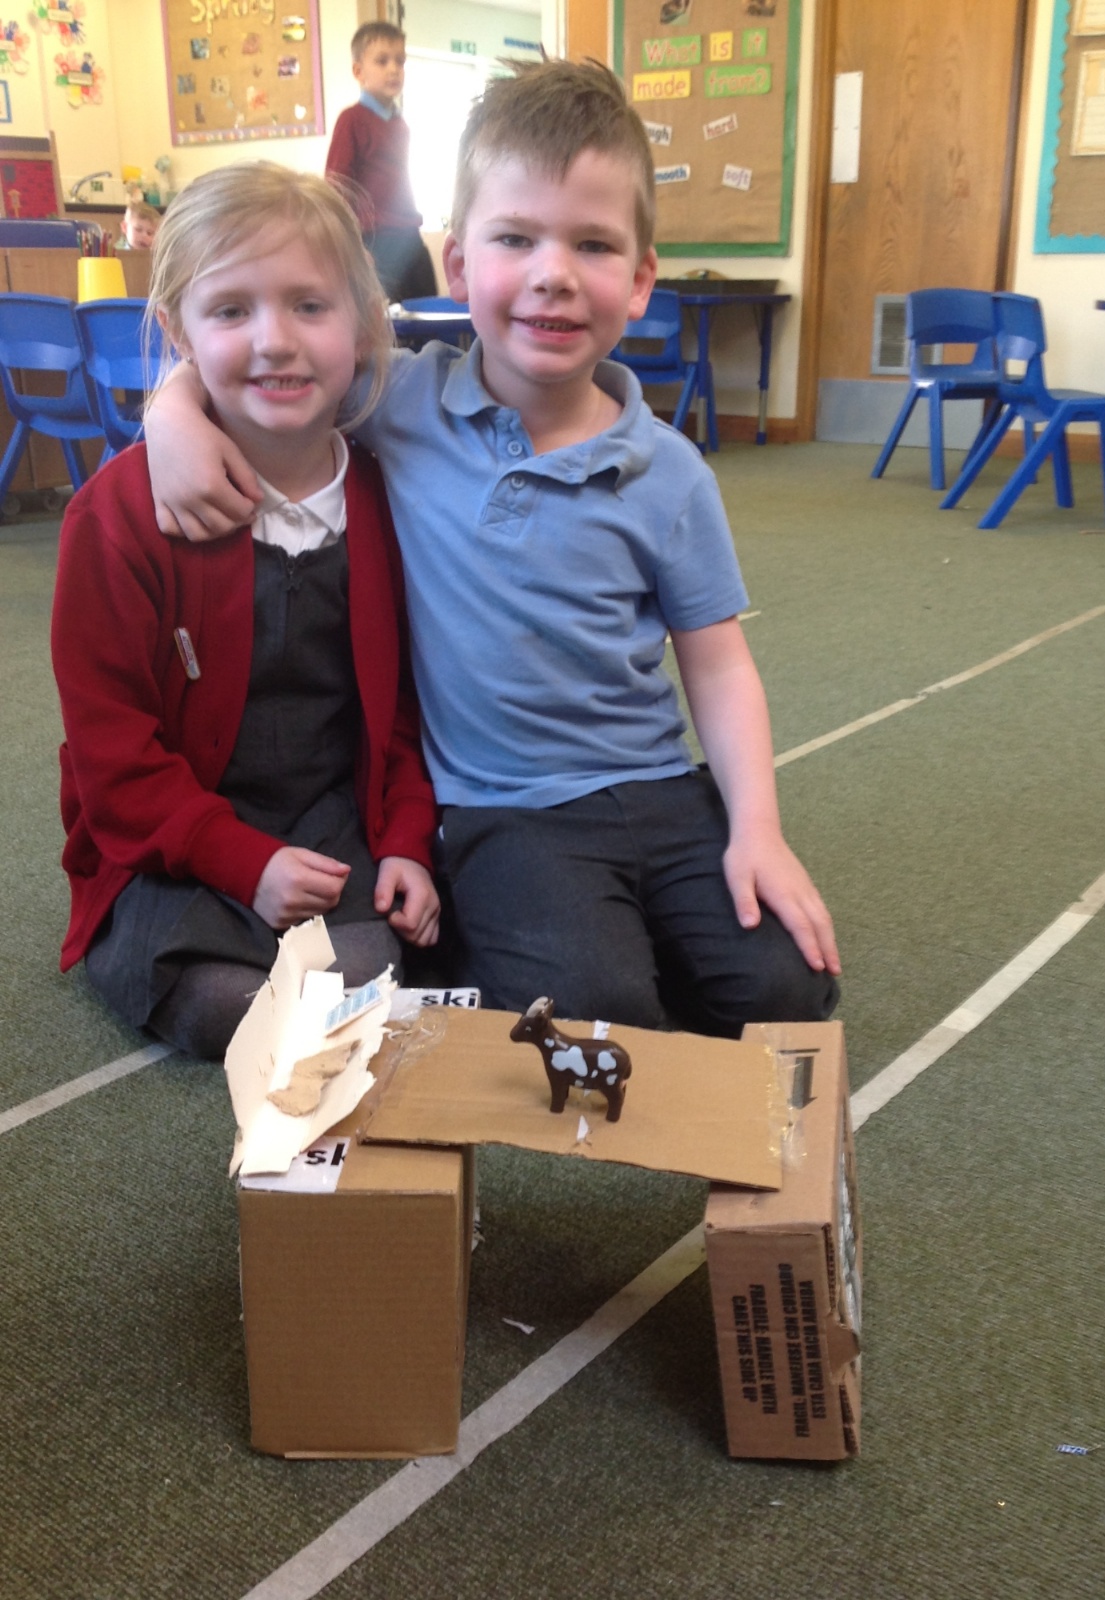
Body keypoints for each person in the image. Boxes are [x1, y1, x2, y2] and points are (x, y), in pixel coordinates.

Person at [144, 61, 841, 1039]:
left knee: (784, 995)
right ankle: (520, 939)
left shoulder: (671, 473)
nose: (553, 273)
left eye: (592, 244)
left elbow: (719, 667)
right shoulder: (402, 400)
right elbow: (277, 365)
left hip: (658, 787)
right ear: (459, 264)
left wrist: (756, 830)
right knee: (596, 1013)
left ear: (640, 280)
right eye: (515, 239)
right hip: (503, 809)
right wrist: (170, 408)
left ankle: (601, 938)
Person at [52, 163, 439, 1061]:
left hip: (330, 820)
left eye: (309, 305)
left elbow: (406, 712)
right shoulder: (114, 518)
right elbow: (111, 752)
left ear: (361, 320)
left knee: (371, 963)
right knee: (222, 1003)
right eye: (230, 310)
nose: (275, 341)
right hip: (170, 838)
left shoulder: (389, 496)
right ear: (176, 329)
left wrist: (407, 841)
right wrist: (241, 861)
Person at [325, 21, 437, 305]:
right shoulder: (352, 120)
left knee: (425, 304)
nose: (394, 69)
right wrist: (350, 241)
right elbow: (337, 185)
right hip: (374, 236)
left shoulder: (400, 124)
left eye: (400, 61)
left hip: (408, 231)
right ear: (358, 71)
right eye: (382, 61)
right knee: (382, 313)